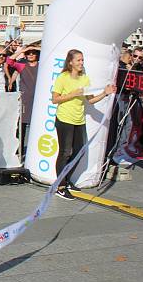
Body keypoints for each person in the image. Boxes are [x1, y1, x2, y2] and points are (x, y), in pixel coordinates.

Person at [52, 49, 116, 200]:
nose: (81, 63)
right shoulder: (63, 77)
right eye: (78, 60)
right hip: (64, 119)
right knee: (65, 152)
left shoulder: (84, 79)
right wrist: (72, 95)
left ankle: (66, 180)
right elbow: (55, 99)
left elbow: (90, 100)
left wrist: (105, 93)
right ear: (70, 62)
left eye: (82, 60)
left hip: (79, 119)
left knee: (79, 151)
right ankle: (59, 186)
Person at [18, 47, 41, 154]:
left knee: (36, 127)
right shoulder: (22, 66)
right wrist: (23, 50)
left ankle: (35, 151)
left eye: (33, 53)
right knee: (21, 127)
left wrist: (34, 48)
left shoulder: (42, 65)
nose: (31, 55)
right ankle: (20, 151)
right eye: (28, 53)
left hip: (38, 101)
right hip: (24, 101)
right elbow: (9, 61)